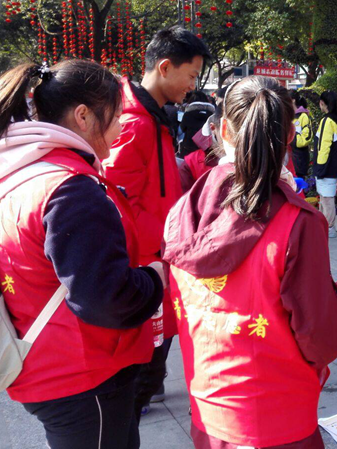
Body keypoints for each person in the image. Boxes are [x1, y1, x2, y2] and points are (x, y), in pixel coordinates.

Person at [0, 60, 166, 448]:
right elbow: (106, 299)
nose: (121, 127)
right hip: (83, 375)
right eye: (116, 116)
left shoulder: (21, 172)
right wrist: (154, 279)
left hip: (51, 365)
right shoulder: (71, 188)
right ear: (83, 116)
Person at [162, 76, 337, 449]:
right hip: (280, 415)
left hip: (210, 406)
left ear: (223, 129)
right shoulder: (298, 222)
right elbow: (321, 338)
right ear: (291, 134)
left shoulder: (182, 211)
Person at [103, 25, 210, 418]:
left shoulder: (152, 116)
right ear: (165, 67)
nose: (193, 86)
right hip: (146, 265)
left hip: (158, 258)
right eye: (192, 75)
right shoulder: (135, 123)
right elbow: (113, 200)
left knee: (154, 356)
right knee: (141, 366)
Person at [314, 90, 337, 238]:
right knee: (326, 197)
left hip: (326, 166)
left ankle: (328, 228)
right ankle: (326, 226)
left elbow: (323, 146)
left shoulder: (327, 121)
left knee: (326, 199)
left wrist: (319, 167)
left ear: (323, 103)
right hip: (336, 165)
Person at [177, 90, 215, 158]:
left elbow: (181, 130)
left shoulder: (188, 114)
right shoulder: (212, 115)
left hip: (189, 149)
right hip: (207, 150)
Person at [289, 89, 311, 179]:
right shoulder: (287, 116)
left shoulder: (303, 116)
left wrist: (291, 137)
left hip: (299, 158)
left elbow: (306, 139)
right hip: (289, 159)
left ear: (293, 100)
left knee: (299, 188)